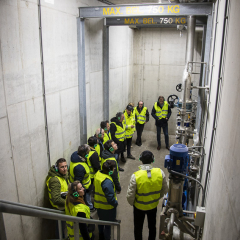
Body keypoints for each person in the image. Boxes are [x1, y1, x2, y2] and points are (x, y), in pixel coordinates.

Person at [126, 150, 168, 240]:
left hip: (138, 207)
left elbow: (130, 195)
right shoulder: (160, 173)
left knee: (138, 228)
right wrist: (156, 198)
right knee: (152, 227)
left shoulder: (136, 176)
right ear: (153, 160)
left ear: (141, 160)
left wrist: (133, 203)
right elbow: (165, 190)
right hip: (153, 206)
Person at [94, 161, 119, 240]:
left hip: (98, 205)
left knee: (101, 221)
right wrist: (115, 203)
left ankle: (101, 235)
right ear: (111, 170)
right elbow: (110, 198)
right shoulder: (107, 181)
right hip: (107, 207)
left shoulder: (98, 174)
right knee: (108, 225)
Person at [46, 158, 69, 238]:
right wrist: (69, 201)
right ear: (57, 168)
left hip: (63, 205)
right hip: (58, 208)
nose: (65, 169)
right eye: (62, 167)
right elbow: (56, 199)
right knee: (59, 228)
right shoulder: (55, 180)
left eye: (66, 166)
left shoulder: (63, 174)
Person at [69, 145, 94, 212]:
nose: (88, 154)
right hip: (84, 187)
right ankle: (89, 207)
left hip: (84, 186)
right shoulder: (79, 168)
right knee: (86, 199)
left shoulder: (75, 156)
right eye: (88, 153)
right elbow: (78, 182)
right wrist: (83, 189)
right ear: (84, 154)